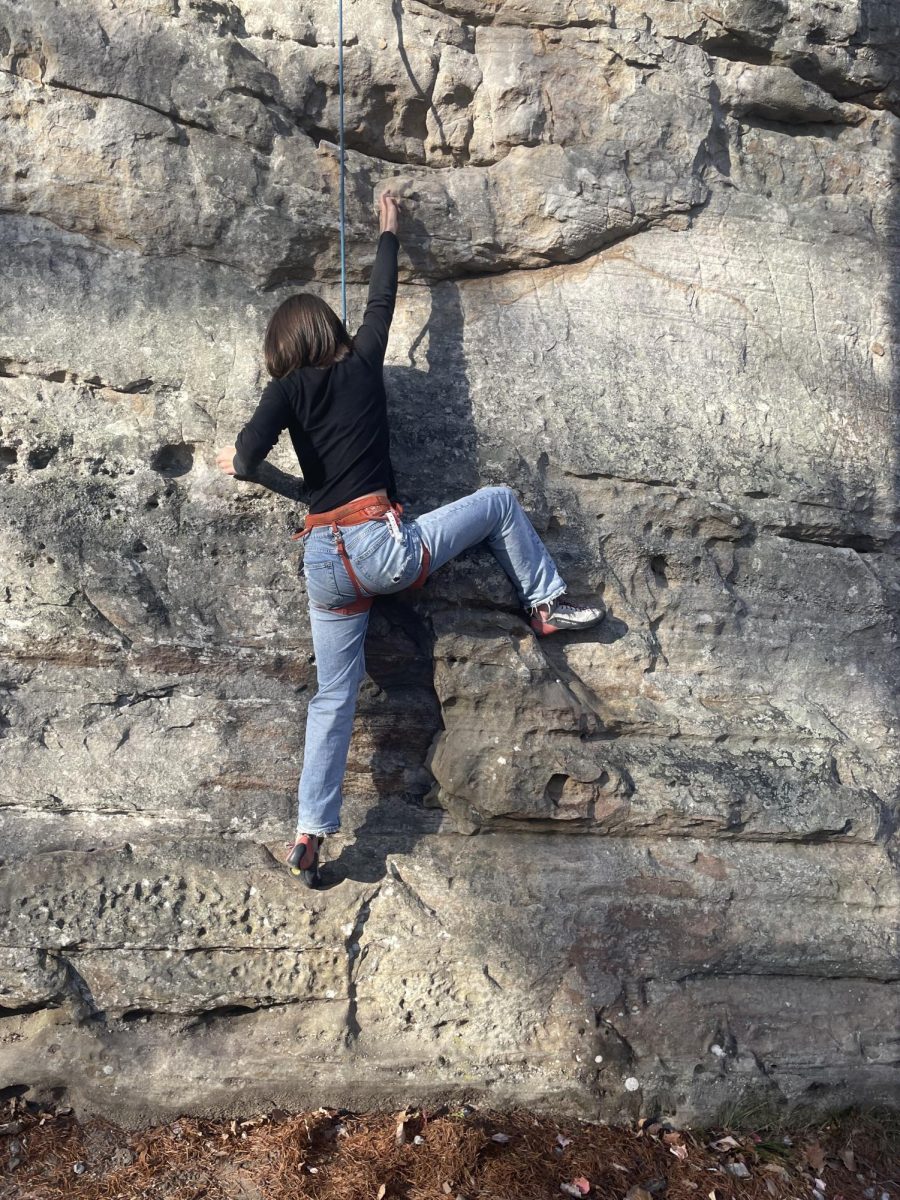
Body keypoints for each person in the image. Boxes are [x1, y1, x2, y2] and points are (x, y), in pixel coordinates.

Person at [215, 190, 605, 885]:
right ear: (327, 328)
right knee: (498, 502)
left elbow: (244, 463)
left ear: (285, 348)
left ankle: (309, 832)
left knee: (332, 699)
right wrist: (389, 232)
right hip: (378, 548)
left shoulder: (286, 393)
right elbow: (382, 301)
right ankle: (545, 603)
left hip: (324, 562)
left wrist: (299, 492)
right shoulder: (361, 363)